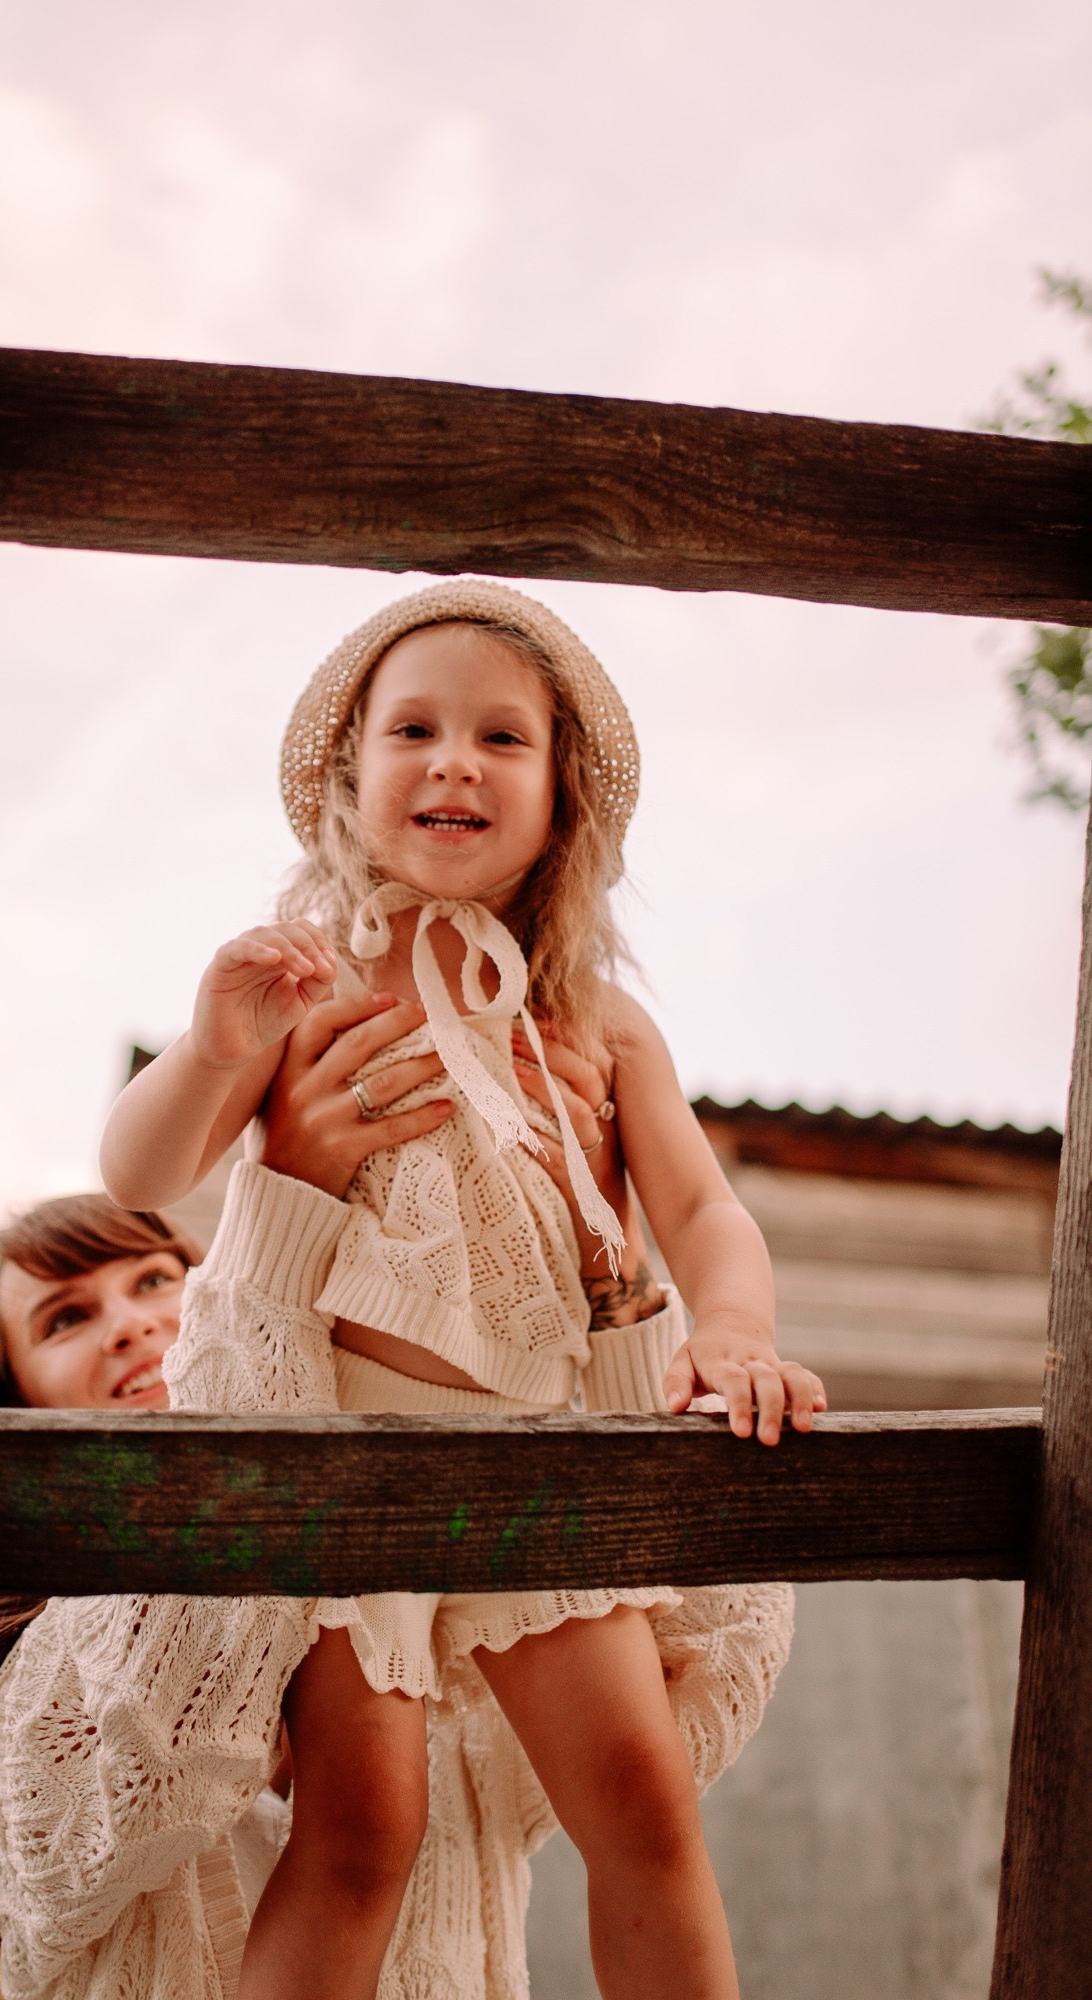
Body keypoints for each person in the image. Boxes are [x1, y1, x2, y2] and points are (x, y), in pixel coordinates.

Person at [99, 579, 825, 2000]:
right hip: (342, 1464)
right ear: (347, 776)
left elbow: (698, 1206)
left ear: (560, 801)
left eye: (501, 739)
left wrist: (731, 1327)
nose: (452, 761)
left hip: (534, 1458)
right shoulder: (305, 986)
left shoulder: (600, 1023)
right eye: (411, 730)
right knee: (364, 1824)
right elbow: (140, 1171)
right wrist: (202, 1047)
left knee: (642, 1801)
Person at [0, 1049, 701, 2000]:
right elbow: (180, 1675)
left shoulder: (426, 1586)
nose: (129, 1324)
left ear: (212, 1294)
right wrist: (277, 1208)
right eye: (66, 1319)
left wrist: (616, 1286)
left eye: (155, 1280)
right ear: (16, 1405)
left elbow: (698, 1655)